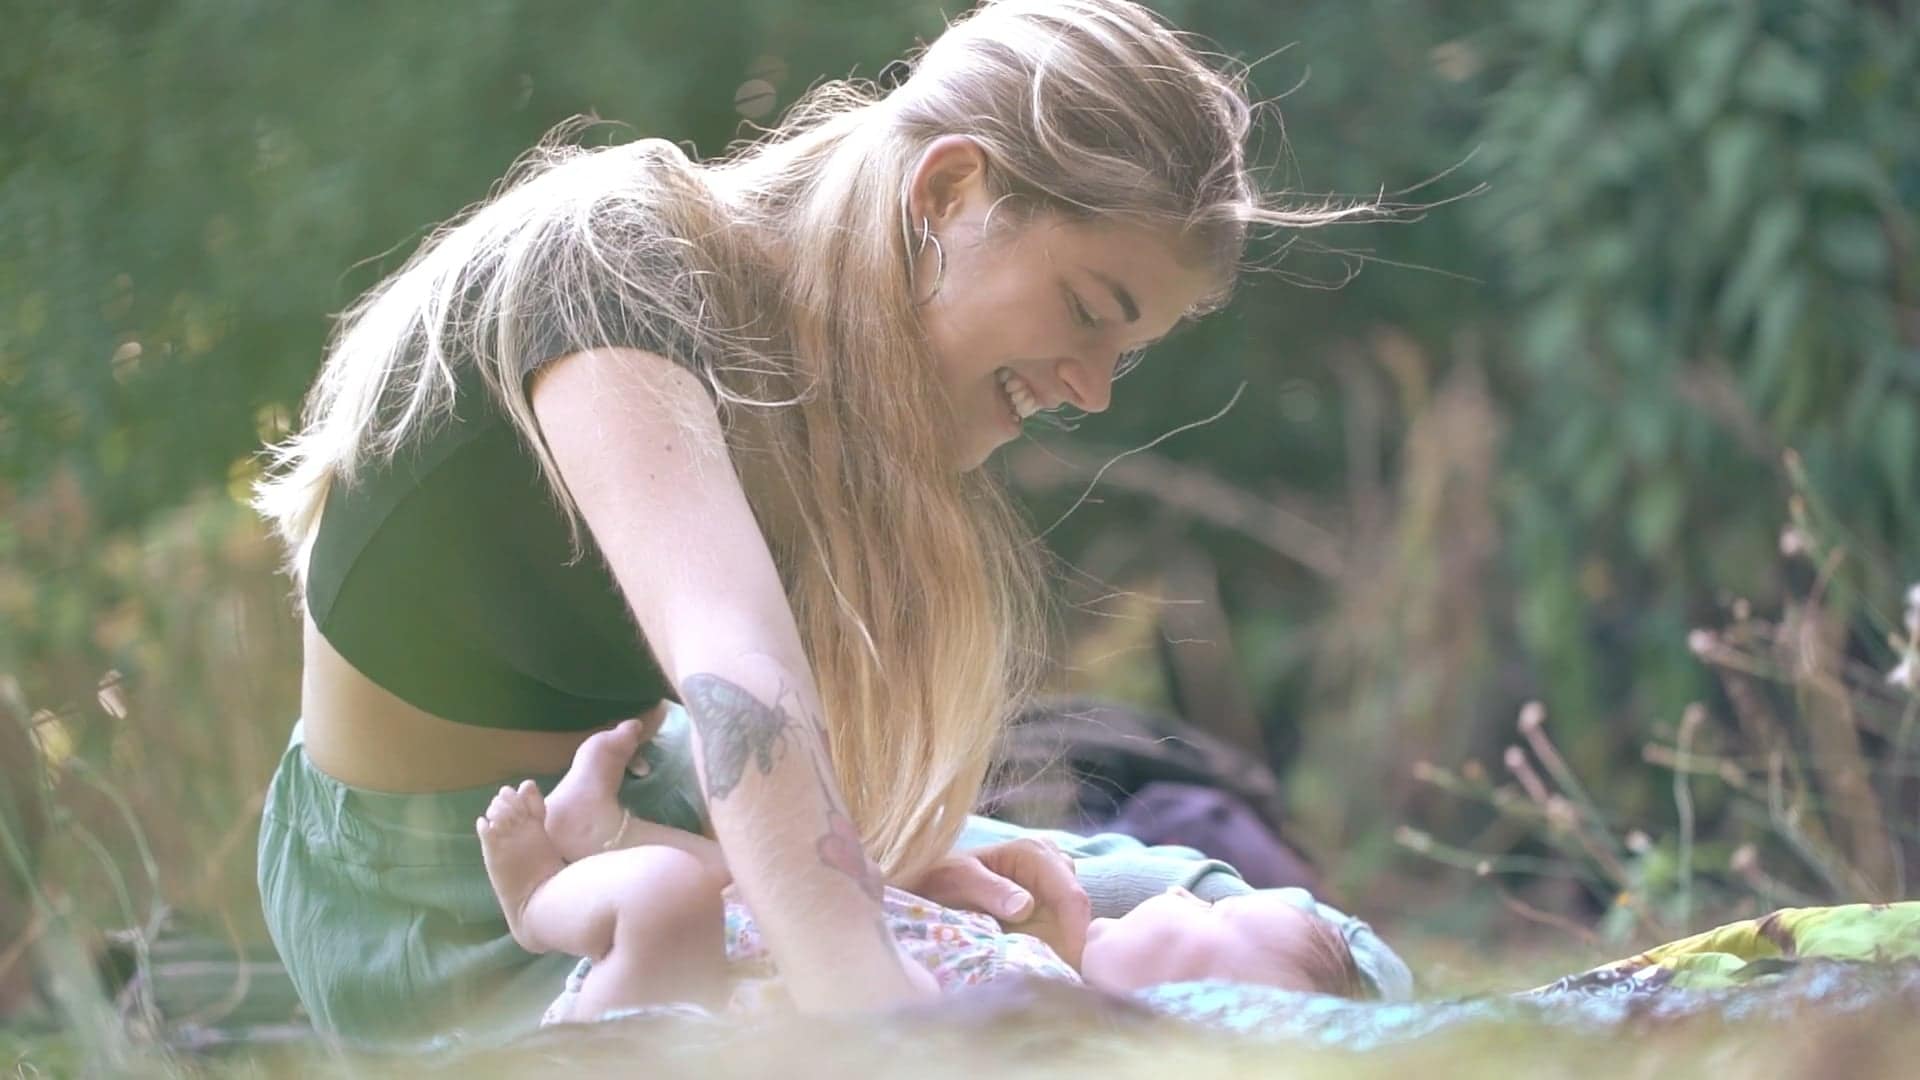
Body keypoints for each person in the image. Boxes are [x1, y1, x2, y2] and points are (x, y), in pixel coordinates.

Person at [252, 0, 1371, 1047]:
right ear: (948, 192)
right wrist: (881, 1008)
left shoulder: (836, 371)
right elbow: (733, 664)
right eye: (1086, 311)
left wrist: (898, 881)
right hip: (455, 891)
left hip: (656, 811)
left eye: (1125, 353)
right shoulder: (608, 269)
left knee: (1290, 939)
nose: (1094, 388)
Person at [462, 761, 1367, 1021]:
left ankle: (540, 903)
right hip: (757, 941)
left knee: (667, 894)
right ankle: (601, 838)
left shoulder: (1064, 1040)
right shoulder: (1049, 965)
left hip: (670, 1021)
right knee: (799, 869)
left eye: (1213, 913)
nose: (1185, 894)